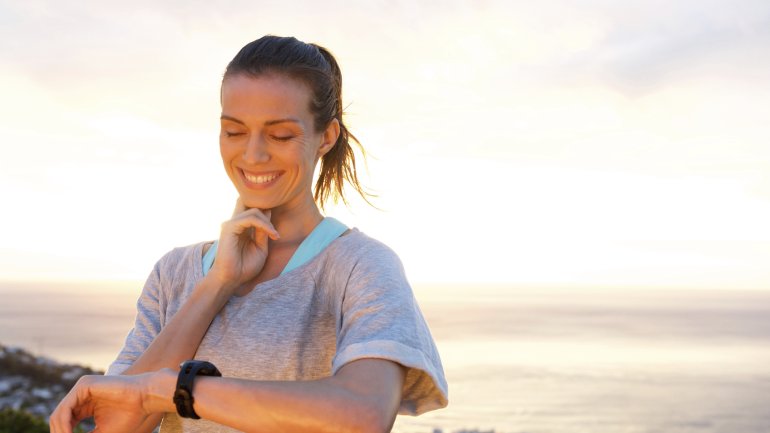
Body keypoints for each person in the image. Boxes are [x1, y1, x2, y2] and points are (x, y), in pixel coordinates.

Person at [49, 35, 447, 433]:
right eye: (235, 131)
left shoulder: (359, 266)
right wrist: (217, 283)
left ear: (326, 136)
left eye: (280, 135)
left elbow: (363, 415)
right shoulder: (173, 273)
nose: (253, 155)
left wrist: (173, 390)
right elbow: (118, 424)